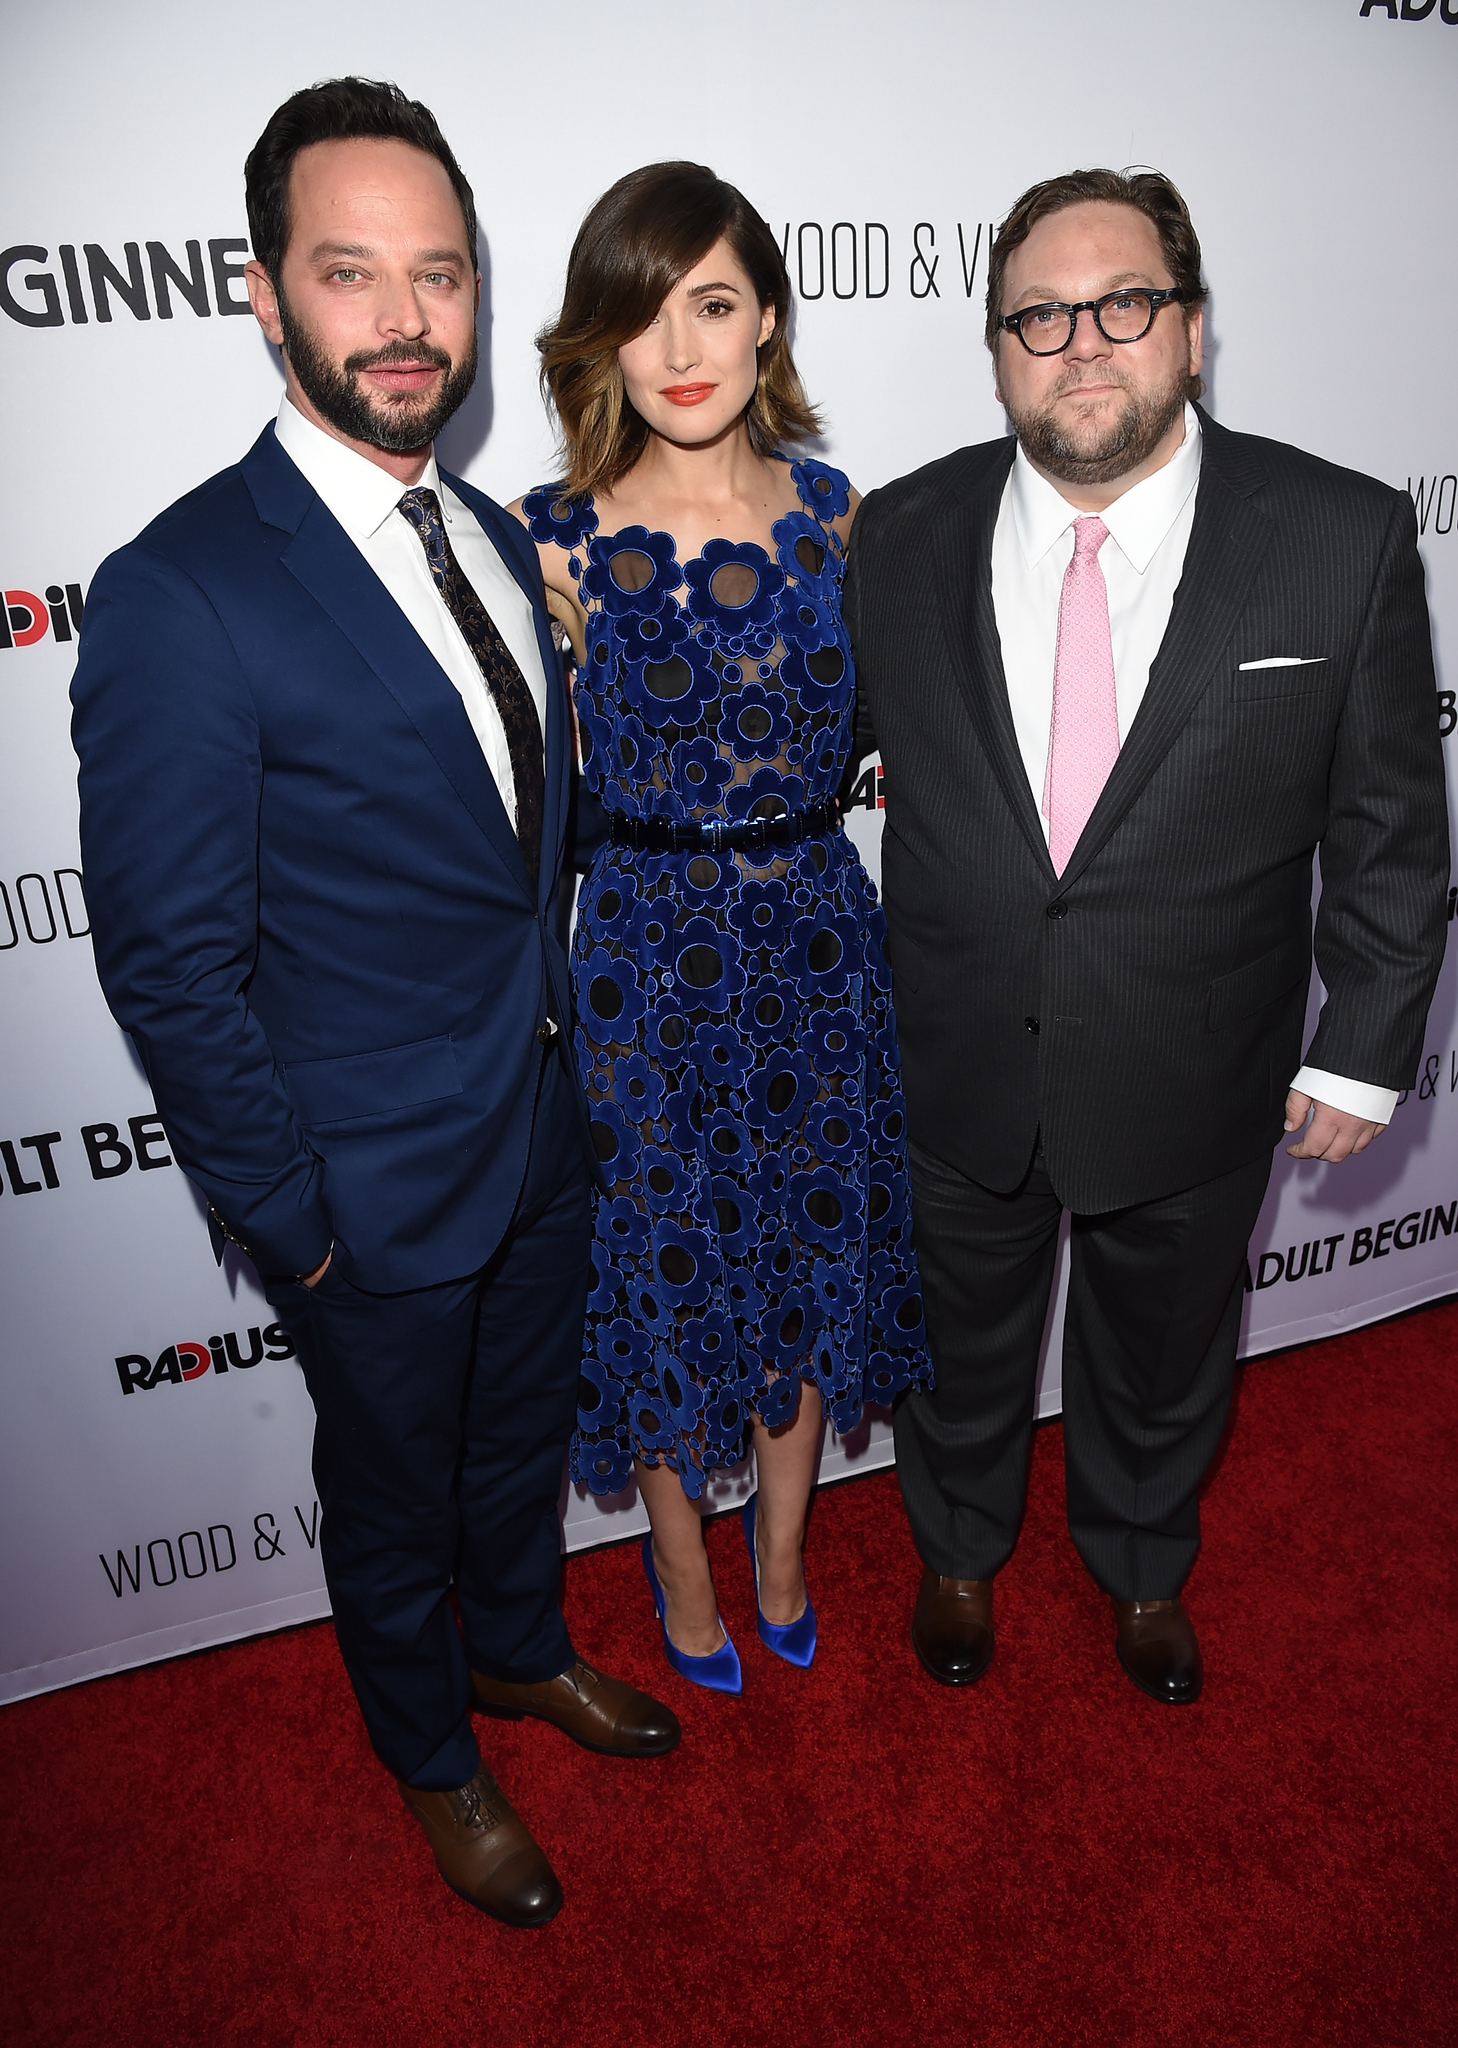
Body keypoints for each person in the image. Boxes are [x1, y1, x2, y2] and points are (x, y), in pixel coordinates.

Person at [70, 78, 679, 1928]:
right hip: (364, 1194)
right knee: (392, 1494)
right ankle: (430, 1749)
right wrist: (295, 1224)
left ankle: (516, 1650)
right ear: (264, 295)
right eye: (353, 274)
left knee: (513, 1450)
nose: (408, 319)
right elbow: (169, 957)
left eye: (440, 274)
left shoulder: (496, 535)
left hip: (539, 1128)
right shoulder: (184, 591)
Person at [844, 168, 1449, 1704]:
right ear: (994, 350)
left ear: (1190, 330)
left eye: (1122, 304)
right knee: (958, 1349)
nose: (1081, 342)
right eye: (1037, 316)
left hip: (1198, 1064)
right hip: (958, 1052)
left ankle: (1136, 1567)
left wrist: (1366, 1048)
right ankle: (960, 1553)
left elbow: (1391, 827)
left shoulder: (1340, 535)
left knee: (1163, 1358)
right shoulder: (897, 535)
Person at [514, 163, 931, 1693]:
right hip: (634, 958)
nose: (680, 344)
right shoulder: (544, 541)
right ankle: (682, 1568)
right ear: (600, 344)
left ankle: (784, 1555)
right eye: (642, 312)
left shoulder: (840, 518)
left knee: (813, 1254)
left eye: (713, 302)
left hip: (819, 944)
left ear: (766, 320)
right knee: (666, 1266)